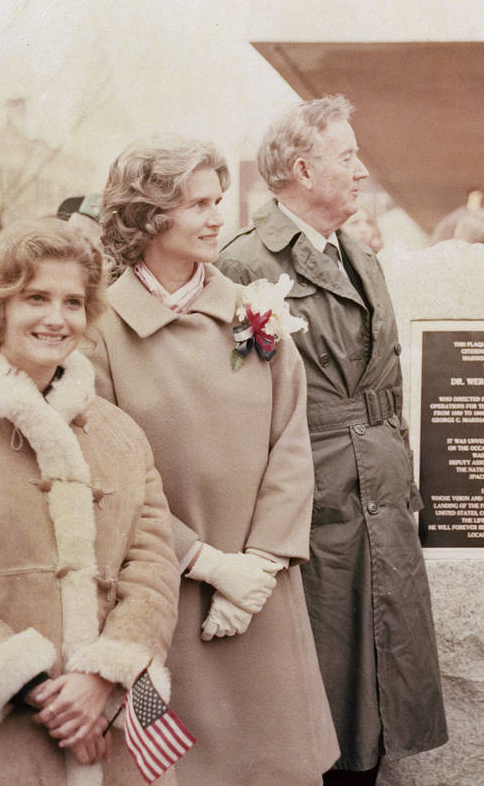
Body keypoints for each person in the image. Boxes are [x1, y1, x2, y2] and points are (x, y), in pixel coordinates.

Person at [89, 135, 338, 786]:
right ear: (146, 215)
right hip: (164, 593)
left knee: (273, 767)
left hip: (260, 597)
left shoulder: (255, 313)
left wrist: (257, 565)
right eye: (197, 203)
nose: (216, 217)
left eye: (218, 200)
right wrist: (207, 564)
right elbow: (104, 482)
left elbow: (291, 443)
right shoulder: (100, 333)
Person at [216, 95, 447, 785]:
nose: (362, 171)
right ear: (301, 168)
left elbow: (389, 381)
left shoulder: (356, 253)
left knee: (376, 700)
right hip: (312, 505)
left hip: (375, 493)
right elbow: (235, 407)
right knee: (320, 707)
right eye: (347, 157)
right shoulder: (245, 264)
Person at [0, 218, 180, 785]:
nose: (56, 318)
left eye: (73, 302)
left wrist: (102, 677)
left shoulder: (120, 433)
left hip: (112, 723)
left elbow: (152, 569)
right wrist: (36, 688)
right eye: (36, 298)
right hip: (8, 739)